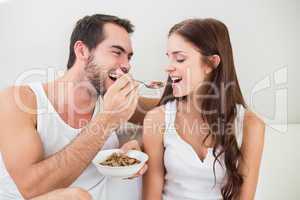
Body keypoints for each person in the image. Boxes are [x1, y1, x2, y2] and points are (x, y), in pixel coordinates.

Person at [0, 14, 158, 200]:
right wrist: (107, 119)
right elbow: (32, 188)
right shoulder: (19, 101)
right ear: (82, 51)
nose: (126, 66)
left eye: (129, 57)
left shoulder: (113, 99)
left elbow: (171, 112)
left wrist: (139, 143)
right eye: (117, 52)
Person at [143, 18, 265, 200]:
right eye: (168, 57)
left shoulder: (251, 125)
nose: (168, 67)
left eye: (180, 58)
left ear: (211, 63)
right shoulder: (157, 119)